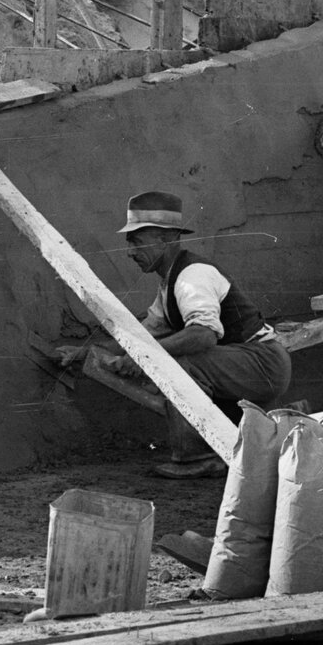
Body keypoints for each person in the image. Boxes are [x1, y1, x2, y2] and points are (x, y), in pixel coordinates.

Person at [117, 189, 292, 479]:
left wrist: (145, 355)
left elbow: (204, 335)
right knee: (173, 356)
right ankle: (228, 444)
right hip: (246, 365)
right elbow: (143, 333)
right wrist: (87, 351)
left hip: (263, 364)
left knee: (181, 363)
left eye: (136, 241)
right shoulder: (169, 282)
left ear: (163, 238)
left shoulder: (191, 275)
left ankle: (201, 456)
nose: (130, 252)